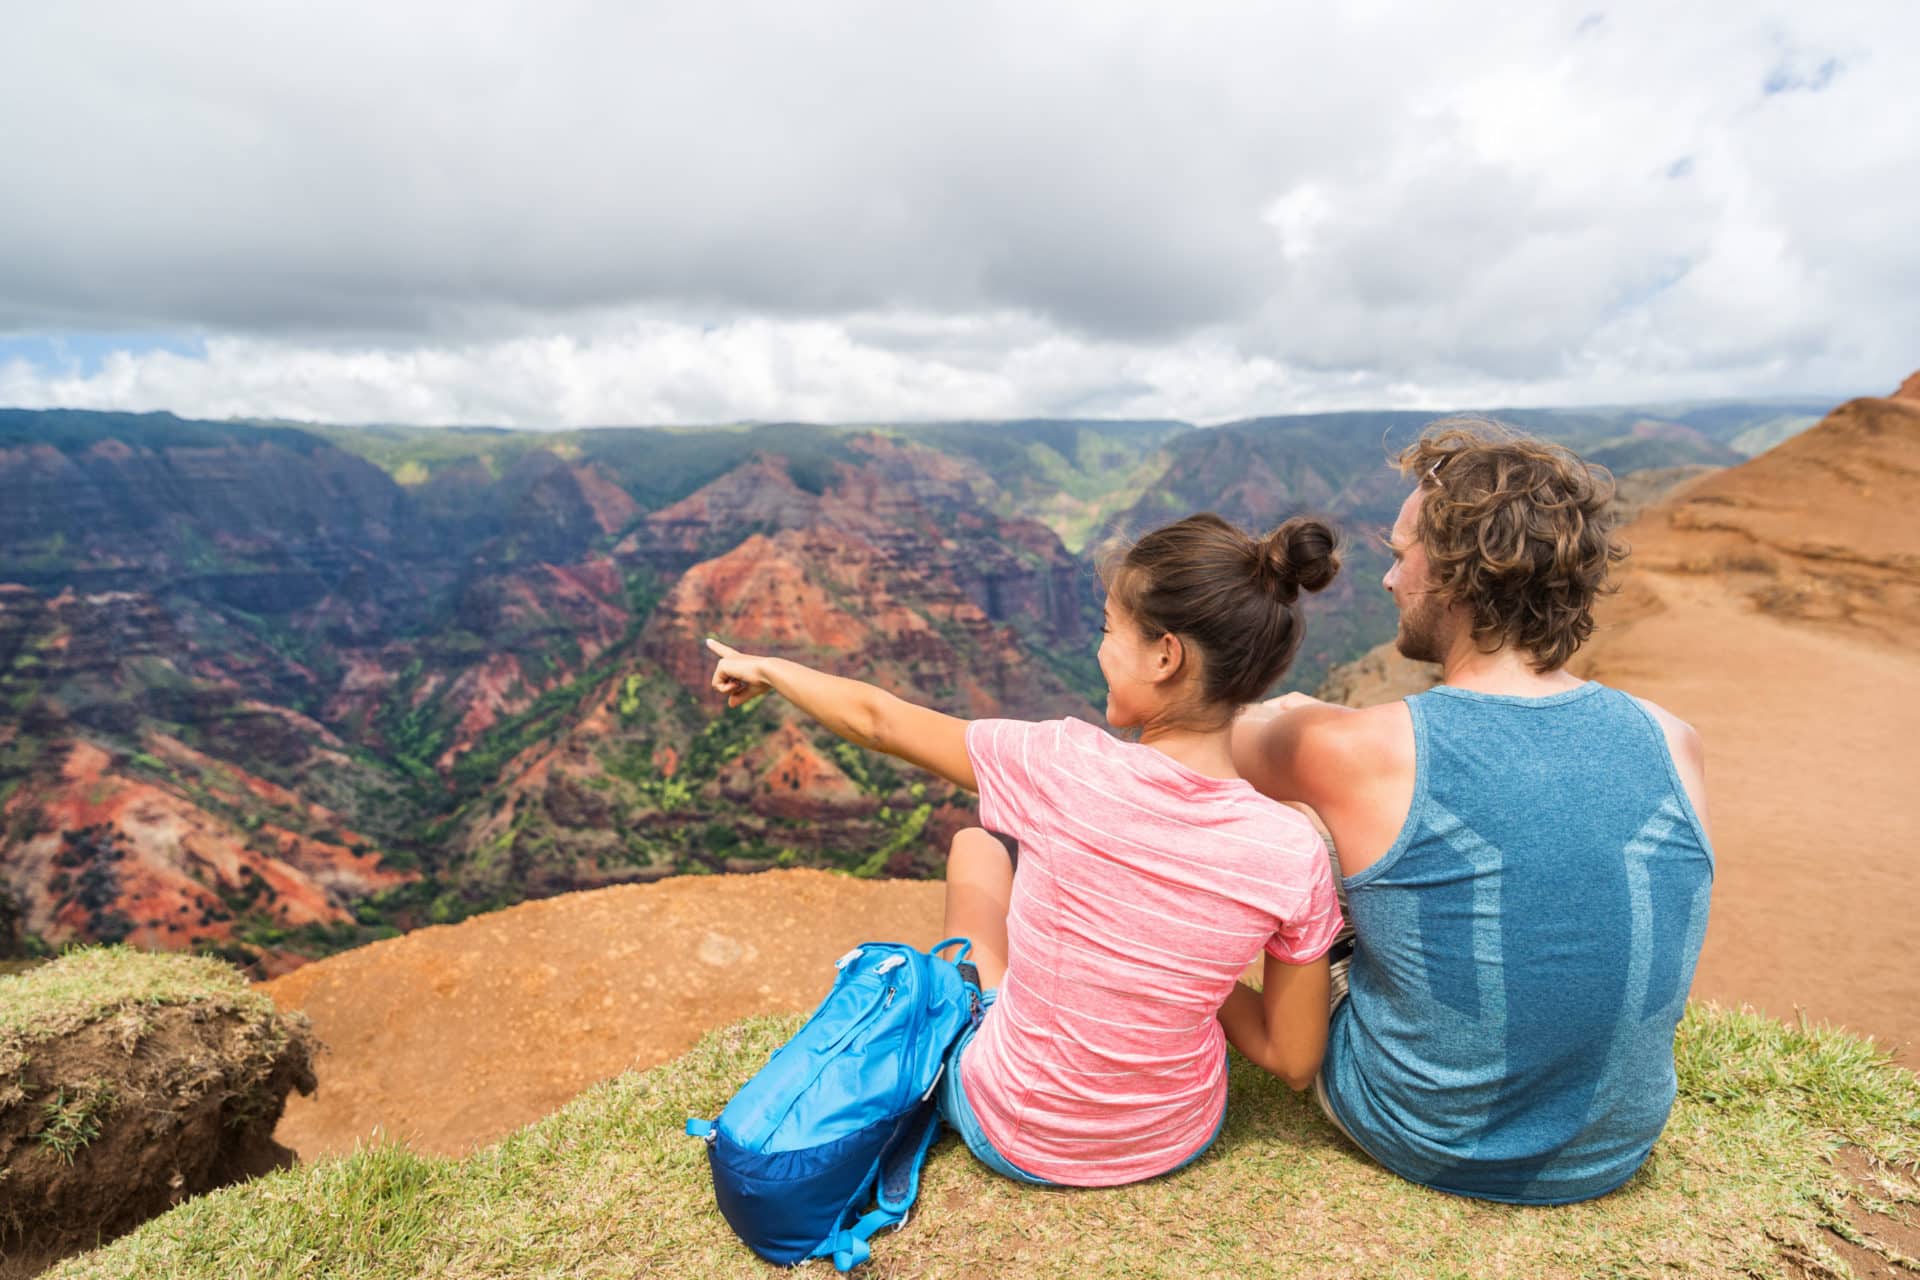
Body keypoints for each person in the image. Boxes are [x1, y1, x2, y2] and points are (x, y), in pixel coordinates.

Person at [704, 512, 1345, 1188]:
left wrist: (769, 667)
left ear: (1165, 655)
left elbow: (879, 721)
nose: (1100, 650)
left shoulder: (1058, 764)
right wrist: (1181, 975)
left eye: (1108, 631)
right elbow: (1292, 1058)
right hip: (1172, 1138)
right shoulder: (1289, 849)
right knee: (989, 850)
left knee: (975, 845)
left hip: (1012, 1129)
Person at [1230, 420, 1714, 1205]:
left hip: (1427, 1136)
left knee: (1295, 838)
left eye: (1398, 556)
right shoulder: (1674, 739)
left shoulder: (1358, 750)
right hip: (1616, 1147)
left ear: (1454, 575)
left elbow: (1203, 740)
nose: (1389, 582)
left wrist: (1298, 714)